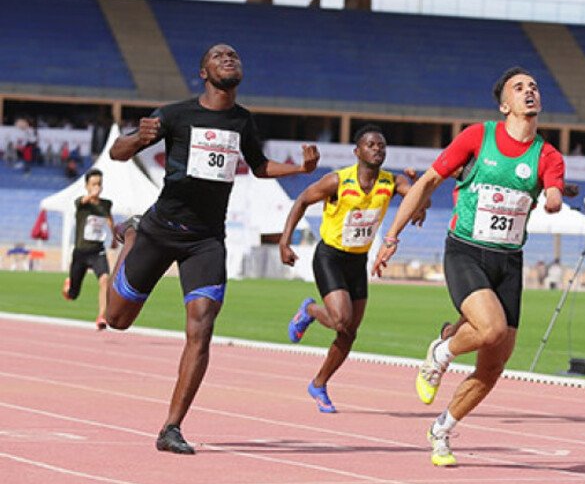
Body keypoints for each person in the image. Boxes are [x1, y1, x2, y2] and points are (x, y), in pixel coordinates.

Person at [105, 43, 319, 455]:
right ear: (203, 72)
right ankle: (130, 236)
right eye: (218, 55)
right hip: (159, 230)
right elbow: (117, 154)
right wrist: (135, 138)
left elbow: (259, 167)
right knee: (117, 320)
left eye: (235, 55)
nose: (229, 58)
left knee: (201, 326)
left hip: (206, 240)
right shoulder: (175, 114)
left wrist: (299, 169)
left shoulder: (242, 121)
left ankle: (171, 428)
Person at [372, 66, 565, 467]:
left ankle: (441, 429)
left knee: (494, 364)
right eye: (519, 87)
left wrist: (552, 198)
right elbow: (426, 183)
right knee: (490, 328)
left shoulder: (548, 154)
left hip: (508, 262)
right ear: (504, 103)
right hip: (465, 251)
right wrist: (391, 237)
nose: (529, 91)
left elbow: (553, 189)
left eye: (534, 86)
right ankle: (440, 353)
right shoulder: (479, 137)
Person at [279, 124, 426, 413]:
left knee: (349, 333)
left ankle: (319, 384)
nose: (377, 149)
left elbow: (418, 200)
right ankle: (309, 310)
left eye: (382, 145)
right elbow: (302, 201)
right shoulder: (337, 181)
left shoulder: (392, 182)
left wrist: (419, 192)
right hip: (330, 256)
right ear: (357, 152)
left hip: (358, 261)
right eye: (371, 145)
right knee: (341, 320)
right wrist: (285, 242)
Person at [62, 168, 116, 329]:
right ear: (87, 186)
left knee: (105, 280)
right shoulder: (81, 203)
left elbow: (109, 218)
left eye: (99, 184)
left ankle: (102, 317)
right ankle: (69, 285)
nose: (97, 187)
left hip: (97, 251)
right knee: (73, 295)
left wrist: (114, 237)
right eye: (93, 184)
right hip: (80, 253)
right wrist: (91, 195)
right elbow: (84, 200)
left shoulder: (106, 204)